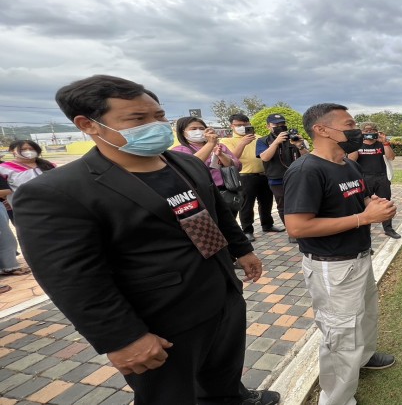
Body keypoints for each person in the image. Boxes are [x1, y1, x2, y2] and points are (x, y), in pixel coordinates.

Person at [13, 75, 279, 405]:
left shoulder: (183, 164)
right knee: (170, 395)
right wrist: (122, 338)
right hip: (160, 321)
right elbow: (71, 276)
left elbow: (216, 214)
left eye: (158, 116)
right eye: (138, 119)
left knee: (222, 373)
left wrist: (242, 249)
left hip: (221, 294)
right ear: (89, 125)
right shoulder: (56, 192)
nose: (156, 125)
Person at [284, 103, 397, 405]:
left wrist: (373, 205)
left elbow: (355, 202)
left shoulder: (348, 164)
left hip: (359, 257)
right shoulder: (306, 170)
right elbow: (297, 226)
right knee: (340, 333)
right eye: (349, 124)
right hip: (332, 266)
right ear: (321, 130)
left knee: (365, 316)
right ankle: (335, 399)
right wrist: (365, 218)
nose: (356, 129)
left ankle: (362, 358)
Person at [221, 114, 282, 242]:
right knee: (247, 205)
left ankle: (268, 224)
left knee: (266, 202)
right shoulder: (227, 141)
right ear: (232, 126)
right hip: (245, 176)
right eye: (239, 125)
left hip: (264, 174)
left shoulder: (259, 138)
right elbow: (231, 159)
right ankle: (247, 230)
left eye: (246, 124)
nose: (243, 127)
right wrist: (242, 143)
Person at [255, 113, 308, 237]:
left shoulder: (293, 137)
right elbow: (265, 157)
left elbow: (306, 156)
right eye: (276, 124)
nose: (280, 126)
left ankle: (304, 227)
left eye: (282, 124)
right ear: (268, 126)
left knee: (301, 202)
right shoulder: (263, 140)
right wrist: (276, 142)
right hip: (276, 178)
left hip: (296, 177)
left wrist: (299, 145)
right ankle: (292, 232)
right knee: (283, 206)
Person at [348, 122, 401, 239]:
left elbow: (391, 157)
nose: (369, 132)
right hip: (364, 178)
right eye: (366, 130)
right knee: (363, 205)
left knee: (385, 202)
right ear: (361, 132)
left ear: (376, 132)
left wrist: (385, 142)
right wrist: (357, 143)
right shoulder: (358, 144)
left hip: (381, 177)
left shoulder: (381, 144)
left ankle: (388, 229)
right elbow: (351, 160)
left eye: (372, 130)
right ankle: (364, 231)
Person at [171, 116, 241, 190]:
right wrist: (210, 144)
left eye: (201, 128)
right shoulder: (180, 150)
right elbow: (191, 167)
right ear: (183, 132)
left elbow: (237, 166)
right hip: (202, 191)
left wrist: (221, 155)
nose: (198, 131)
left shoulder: (219, 146)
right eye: (193, 129)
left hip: (226, 189)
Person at [0, 140, 57, 212]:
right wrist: (6, 199)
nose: (28, 151)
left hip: (52, 205)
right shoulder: (4, 168)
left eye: (31, 149)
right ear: (13, 151)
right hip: (23, 209)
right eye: (23, 149)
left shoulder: (49, 165)